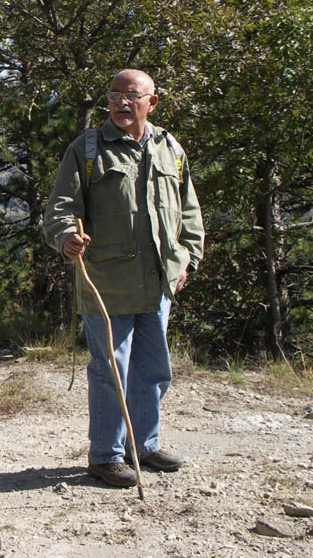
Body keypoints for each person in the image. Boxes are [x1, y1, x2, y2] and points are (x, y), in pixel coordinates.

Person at [43, 69, 204, 488]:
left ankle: (144, 446)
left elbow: (189, 211)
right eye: (114, 95)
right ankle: (106, 455)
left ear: (152, 101)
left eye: (130, 95)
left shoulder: (170, 147)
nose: (120, 103)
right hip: (106, 281)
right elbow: (60, 208)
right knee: (111, 369)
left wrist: (187, 257)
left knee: (153, 368)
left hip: (159, 281)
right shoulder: (87, 149)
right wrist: (67, 239)